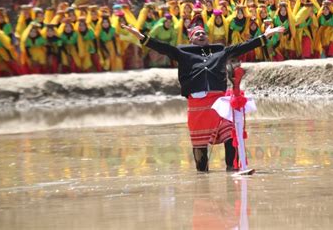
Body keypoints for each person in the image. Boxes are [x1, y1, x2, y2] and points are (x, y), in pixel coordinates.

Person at [120, 23, 284, 172]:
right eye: (197, 34)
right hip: (197, 104)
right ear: (191, 39)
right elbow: (162, 47)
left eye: (203, 33)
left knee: (230, 134)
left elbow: (244, 46)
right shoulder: (182, 53)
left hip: (219, 102)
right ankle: (202, 177)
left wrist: (266, 35)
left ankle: (233, 168)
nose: (201, 35)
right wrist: (140, 36)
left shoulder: (221, 51)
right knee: (200, 149)